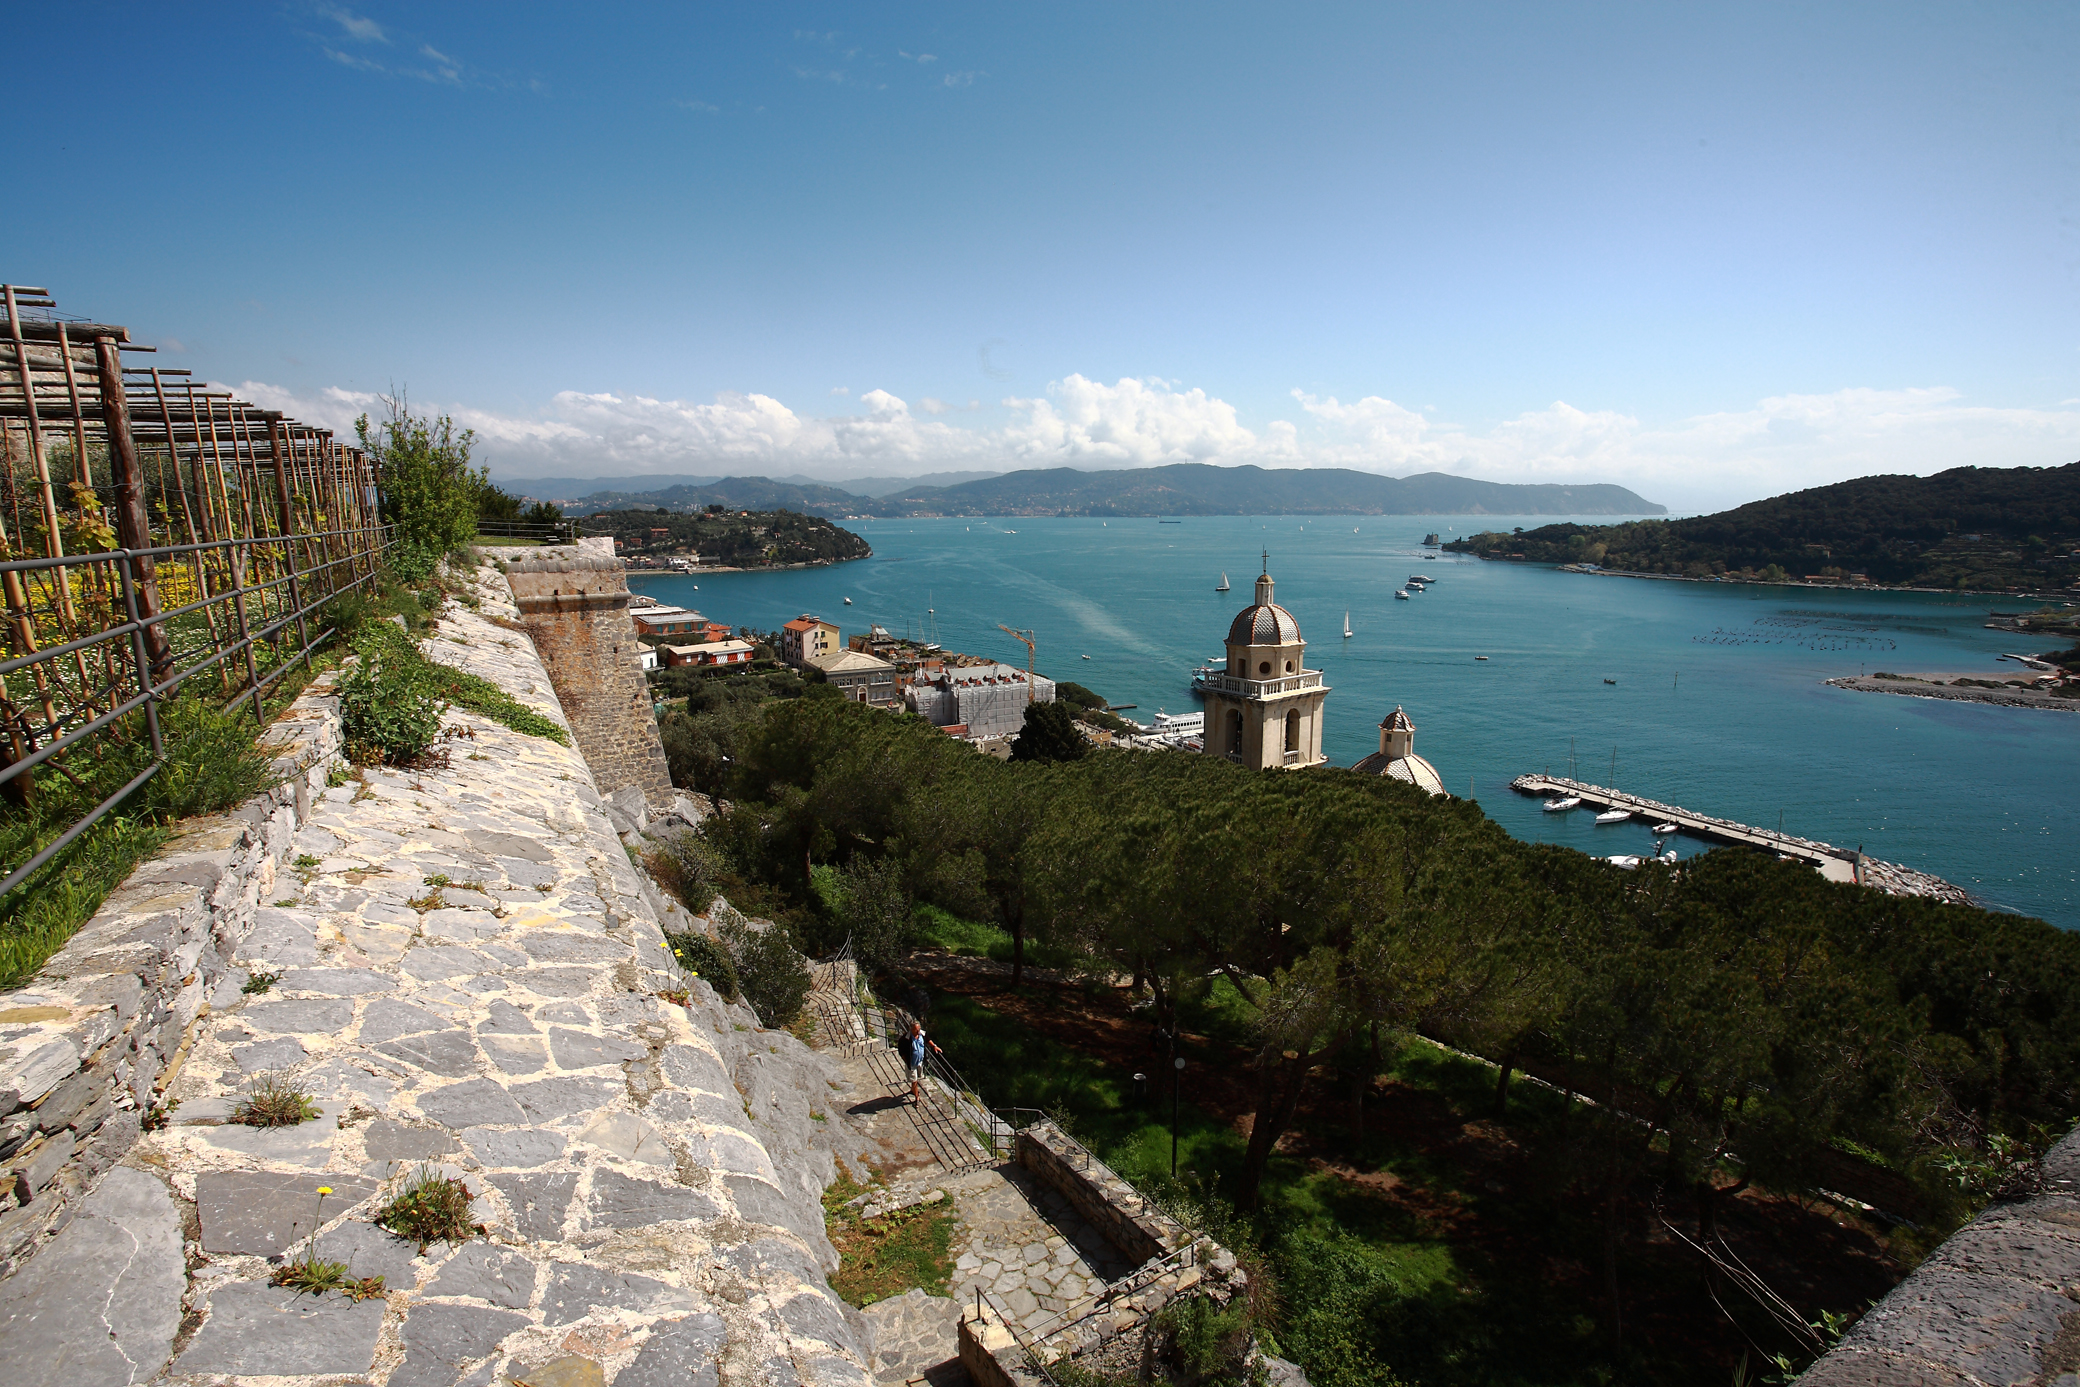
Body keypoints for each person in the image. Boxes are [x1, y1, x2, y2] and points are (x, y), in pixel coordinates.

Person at [899, 1020, 941, 1105]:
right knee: (914, 1080)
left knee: (917, 1077)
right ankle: (917, 1097)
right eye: (916, 1029)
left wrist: (934, 1046)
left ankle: (912, 1090)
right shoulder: (905, 1039)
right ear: (911, 1029)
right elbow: (901, 1051)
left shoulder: (921, 1034)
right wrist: (907, 1061)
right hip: (911, 1063)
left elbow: (928, 1039)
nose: (918, 1031)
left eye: (919, 1028)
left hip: (920, 1062)